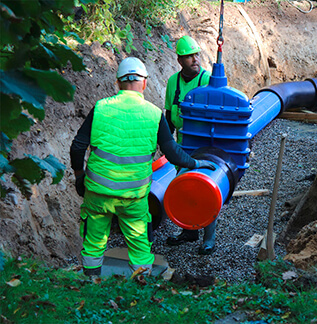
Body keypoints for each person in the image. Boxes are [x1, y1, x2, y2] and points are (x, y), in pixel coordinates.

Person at [70, 57, 215, 277]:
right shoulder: (154, 114)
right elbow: (173, 152)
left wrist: (79, 176)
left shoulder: (100, 108)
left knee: (93, 242)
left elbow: (77, 147)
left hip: (97, 194)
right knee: (139, 246)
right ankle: (139, 291)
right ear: (144, 83)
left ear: (117, 83)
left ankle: (90, 287)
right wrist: (196, 163)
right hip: (134, 198)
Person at [164, 36, 217, 255]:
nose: (195, 60)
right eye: (189, 56)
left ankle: (209, 238)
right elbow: (168, 114)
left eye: (196, 55)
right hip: (181, 146)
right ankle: (188, 231)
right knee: (184, 189)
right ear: (180, 60)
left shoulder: (207, 80)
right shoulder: (172, 82)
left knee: (205, 190)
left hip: (204, 146)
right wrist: (166, 145)